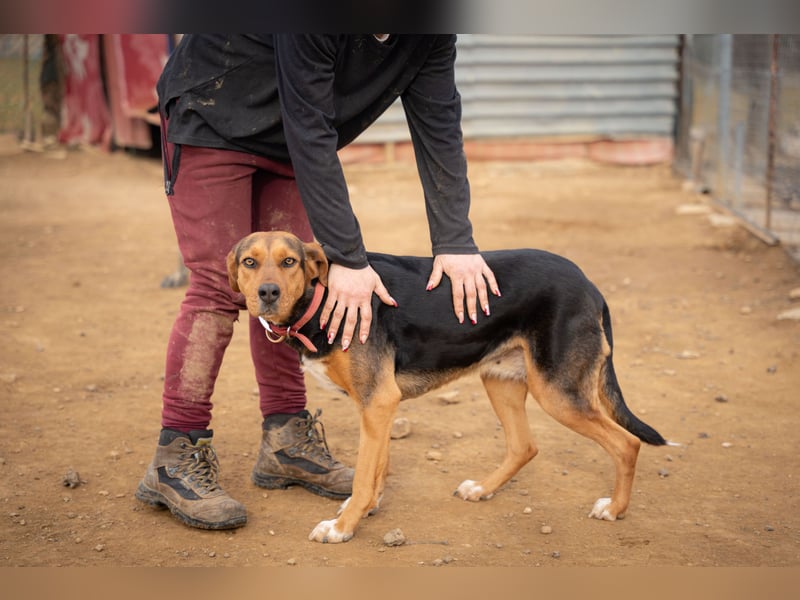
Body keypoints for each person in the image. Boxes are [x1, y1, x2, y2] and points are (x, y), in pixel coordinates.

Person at [135, 34, 499, 530]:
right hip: (214, 109)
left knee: (290, 285)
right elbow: (310, 125)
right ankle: (175, 453)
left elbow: (438, 121)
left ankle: (286, 440)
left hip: (288, 135)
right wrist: (348, 257)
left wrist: (455, 241)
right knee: (219, 289)